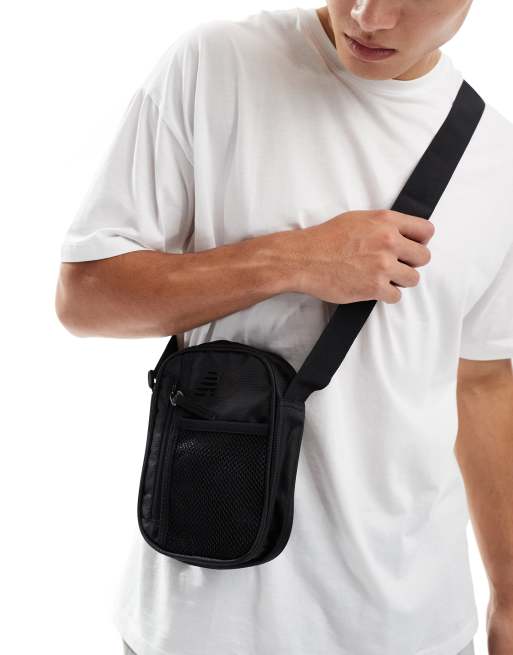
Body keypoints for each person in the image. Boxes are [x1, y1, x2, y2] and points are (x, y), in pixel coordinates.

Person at [55, 1, 513, 654]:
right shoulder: (217, 66)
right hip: (199, 621)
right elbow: (85, 297)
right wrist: (292, 260)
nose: (368, 16)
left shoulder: (497, 159)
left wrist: (508, 596)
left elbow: (482, 383)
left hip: (411, 628)